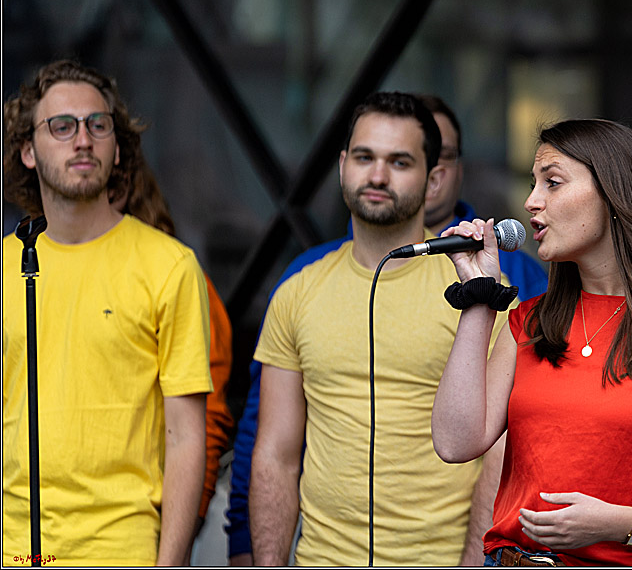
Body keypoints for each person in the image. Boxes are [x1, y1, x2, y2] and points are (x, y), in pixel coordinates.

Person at [225, 93, 545, 564]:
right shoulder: (297, 290)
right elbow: (275, 453)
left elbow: (499, 457)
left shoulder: (479, 289)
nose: (377, 176)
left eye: (399, 161)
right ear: (341, 166)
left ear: (433, 177)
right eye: (364, 157)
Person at [432, 118, 632, 565]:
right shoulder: (530, 322)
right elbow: (455, 443)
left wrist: (623, 524)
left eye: (552, 182)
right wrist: (478, 298)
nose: (531, 202)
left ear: (613, 193)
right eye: (533, 184)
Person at [2, 59, 211, 565]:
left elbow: (186, 437)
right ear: (28, 151)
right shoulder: (7, 264)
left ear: (117, 149)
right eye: (62, 126)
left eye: (98, 125)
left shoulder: (170, 265)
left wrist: (170, 562)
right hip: (14, 543)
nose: (83, 140)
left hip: (123, 546)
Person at [114, 157, 235, 535]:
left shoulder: (176, 273)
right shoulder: (33, 266)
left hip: (148, 520)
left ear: (126, 192)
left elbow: (208, 414)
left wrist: (183, 524)